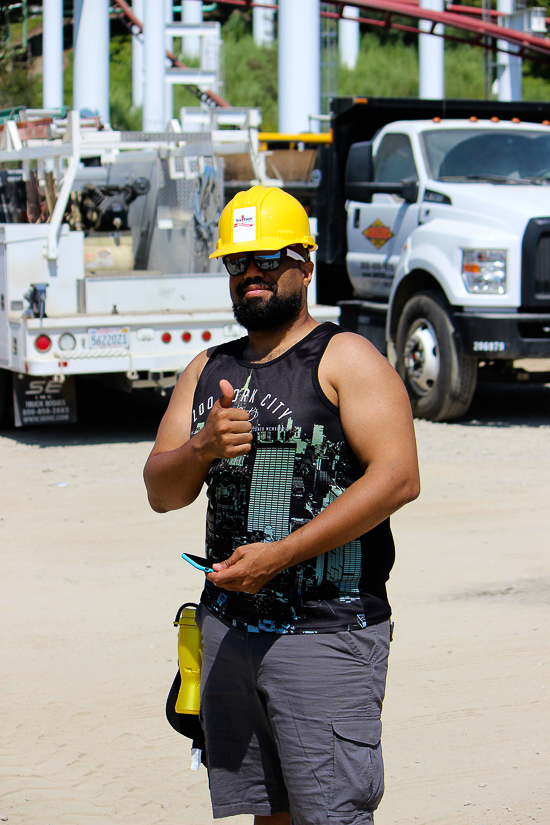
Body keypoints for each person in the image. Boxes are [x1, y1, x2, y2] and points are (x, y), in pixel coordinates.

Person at [144, 185, 420, 825]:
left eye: (268, 259)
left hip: (323, 633)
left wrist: (284, 556)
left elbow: (398, 479)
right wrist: (202, 448)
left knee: (330, 815)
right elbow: (162, 491)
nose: (252, 275)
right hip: (229, 630)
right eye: (238, 263)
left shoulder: (345, 357)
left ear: (306, 264)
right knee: (264, 814)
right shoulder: (207, 367)